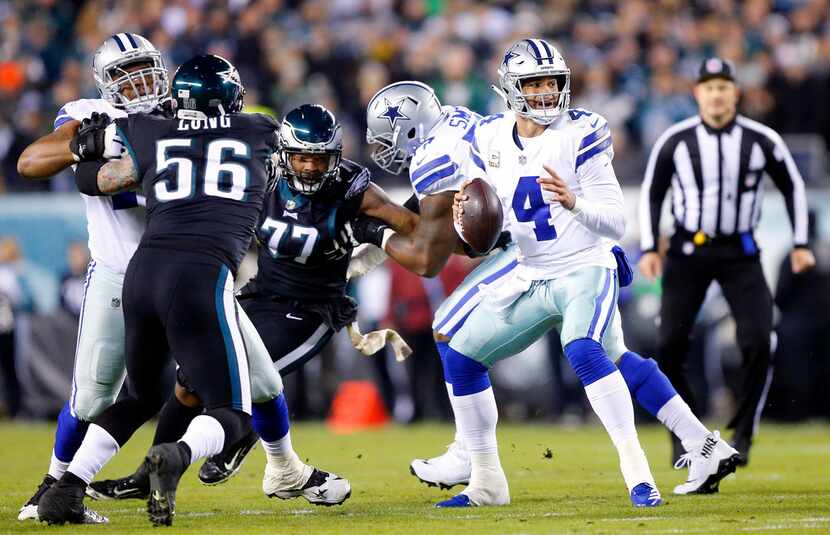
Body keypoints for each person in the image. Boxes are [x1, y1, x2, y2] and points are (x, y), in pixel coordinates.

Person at [358, 55, 737, 501]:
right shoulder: (486, 134)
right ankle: (701, 443)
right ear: (510, 90)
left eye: (551, 83)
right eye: (534, 85)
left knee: (571, 348)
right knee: (470, 342)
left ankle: (628, 472)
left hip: (578, 263)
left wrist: (377, 223)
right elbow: (485, 226)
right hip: (530, 263)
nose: (546, 94)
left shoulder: (579, 130)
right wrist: (470, 221)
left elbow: (430, 258)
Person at [83, 103, 416, 505]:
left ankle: (227, 444)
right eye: (302, 157)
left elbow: (413, 230)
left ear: (336, 156)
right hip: (259, 295)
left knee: (235, 387)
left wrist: (420, 223)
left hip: (311, 310)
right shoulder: (258, 177)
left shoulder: (351, 192)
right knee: (189, 381)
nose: (310, 167)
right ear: (283, 153)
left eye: (319, 158)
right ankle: (150, 474)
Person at [36, 54, 281, 527]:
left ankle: (66, 489)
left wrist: (93, 150)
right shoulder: (258, 130)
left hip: (142, 272)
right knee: (234, 412)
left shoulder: (148, 131)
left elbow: (91, 175)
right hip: (200, 274)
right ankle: (179, 453)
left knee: (138, 396)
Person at [15, 33, 169, 524]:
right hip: (119, 271)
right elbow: (31, 162)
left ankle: (284, 466)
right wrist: (89, 142)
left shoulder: (185, 113)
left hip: (185, 268)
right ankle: (53, 486)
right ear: (106, 82)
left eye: (145, 68)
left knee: (244, 379)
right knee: (93, 394)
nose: (140, 80)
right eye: (126, 72)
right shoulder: (90, 113)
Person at [638, 57, 815, 465]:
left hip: (740, 252)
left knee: (757, 339)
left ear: (735, 93)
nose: (716, 94)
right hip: (687, 251)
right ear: (697, 93)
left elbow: (794, 187)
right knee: (670, 343)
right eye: (709, 87)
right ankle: (686, 437)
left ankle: (743, 429)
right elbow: (653, 191)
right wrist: (650, 248)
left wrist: (802, 242)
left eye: (723, 87)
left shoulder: (761, 139)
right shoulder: (677, 140)